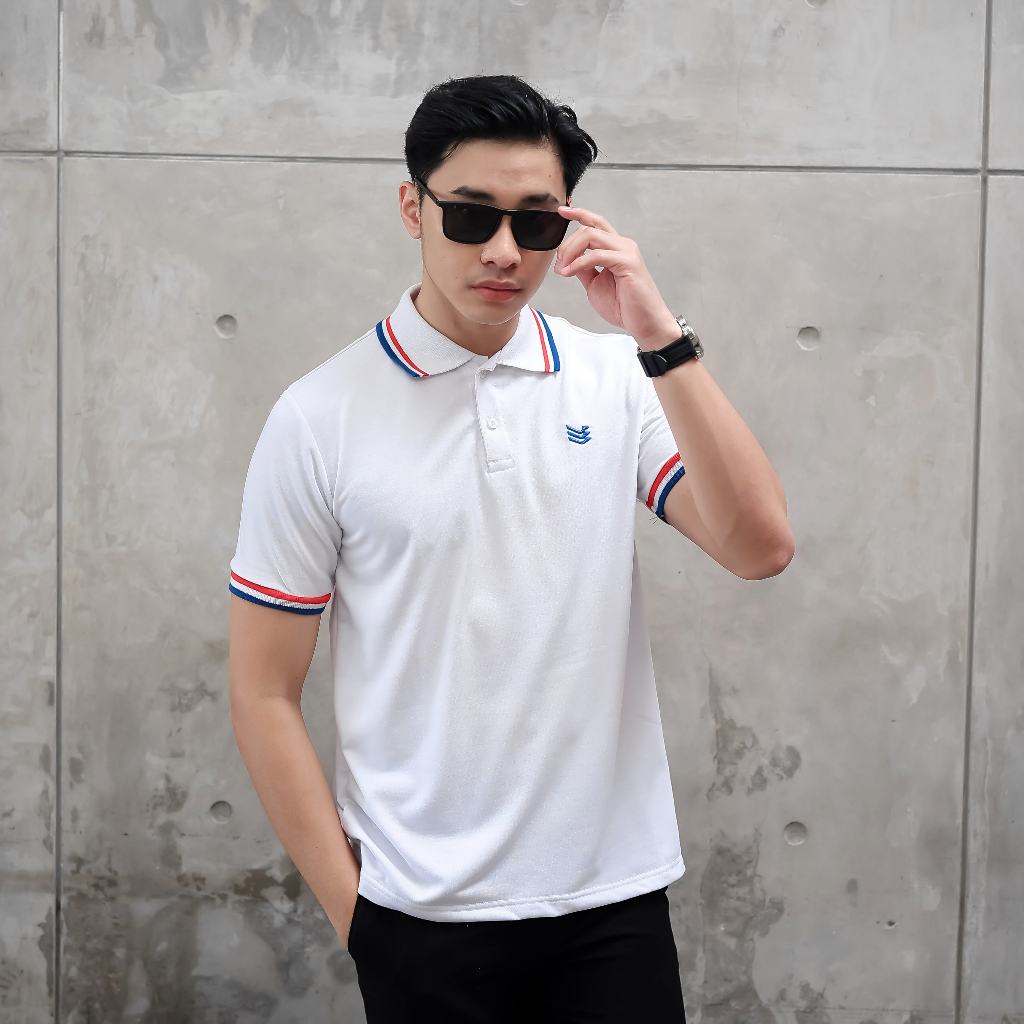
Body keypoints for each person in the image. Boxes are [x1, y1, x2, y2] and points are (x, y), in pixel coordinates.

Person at [228, 74, 794, 1023]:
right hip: (421, 916)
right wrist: (358, 919)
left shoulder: (615, 377)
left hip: (611, 902)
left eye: (535, 222)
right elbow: (262, 689)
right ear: (411, 207)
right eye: (469, 215)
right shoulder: (319, 417)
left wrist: (658, 335)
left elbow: (758, 547)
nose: (502, 251)